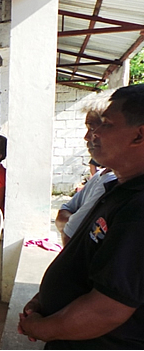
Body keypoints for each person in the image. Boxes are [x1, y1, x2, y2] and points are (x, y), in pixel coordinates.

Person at [18, 84, 144, 349]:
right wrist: (43, 300)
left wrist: (41, 327)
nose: (93, 134)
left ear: (139, 135)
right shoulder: (118, 189)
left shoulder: (138, 208)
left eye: (106, 124)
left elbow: (107, 309)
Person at [55, 90, 116, 247]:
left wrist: (69, 222)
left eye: (93, 128)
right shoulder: (101, 175)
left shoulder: (111, 184)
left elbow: (70, 235)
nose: (88, 136)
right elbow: (63, 212)